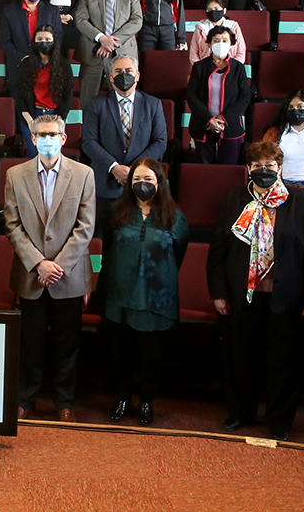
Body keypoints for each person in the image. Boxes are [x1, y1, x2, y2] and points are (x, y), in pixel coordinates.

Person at [208, 143, 304, 441]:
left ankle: (279, 419)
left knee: (283, 362)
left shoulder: (301, 201)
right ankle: (240, 413)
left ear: (280, 168)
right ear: (248, 169)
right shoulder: (234, 199)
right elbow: (218, 250)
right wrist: (218, 292)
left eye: (270, 165)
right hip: (241, 295)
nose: (264, 170)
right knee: (239, 358)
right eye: (257, 165)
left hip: (286, 297)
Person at [4, 115, 95, 421]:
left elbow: (85, 227)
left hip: (69, 275)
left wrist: (58, 265)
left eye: (53, 134)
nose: (47, 139)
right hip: (31, 274)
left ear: (63, 138)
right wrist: (38, 263)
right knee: (30, 343)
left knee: (67, 344)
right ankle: (26, 399)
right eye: (41, 134)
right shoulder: (15, 175)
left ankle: (64, 401)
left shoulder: (83, 174)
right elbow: (12, 225)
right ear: (32, 138)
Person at [97, 156, 188, 426]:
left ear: (160, 182)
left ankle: (147, 401)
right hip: (119, 294)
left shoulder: (175, 216)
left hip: (156, 298)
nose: (142, 184)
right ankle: (122, 397)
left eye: (148, 179)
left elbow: (179, 254)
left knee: (151, 355)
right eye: (136, 179)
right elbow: (107, 251)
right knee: (119, 352)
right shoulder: (115, 211)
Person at [80, 55, 168, 208]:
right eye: (118, 71)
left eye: (128, 71)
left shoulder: (153, 104)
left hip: (143, 184)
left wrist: (136, 169)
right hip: (105, 183)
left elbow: (160, 141)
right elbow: (89, 142)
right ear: (111, 77)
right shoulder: (96, 104)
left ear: (137, 76)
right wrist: (114, 167)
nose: (124, 75)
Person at [75, 0, 142, 101]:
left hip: (123, 53)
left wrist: (110, 42)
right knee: (88, 100)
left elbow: (137, 21)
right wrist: (101, 38)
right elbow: (81, 20)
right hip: (93, 52)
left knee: (123, 99)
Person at [260, 91, 304, 217]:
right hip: (281, 189)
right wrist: (280, 190)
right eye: (291, 107)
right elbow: (265, 163)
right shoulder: (274, 133)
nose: (295, 111)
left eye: (300, 107)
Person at [187, 26, 251, 166]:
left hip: (230, 124)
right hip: (203, 123)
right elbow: (191, 96)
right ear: (209, 44)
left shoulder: (238, 68)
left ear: (231, 44)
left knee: (228, 167)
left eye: (224, 40)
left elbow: (245, 97)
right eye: (216, 40)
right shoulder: (199, 67)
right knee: (203, 168)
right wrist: (209, 119)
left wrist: (223, 118)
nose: (220, 44)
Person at [0, 0, 60, 94]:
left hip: (44, 65)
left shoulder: (52, 11)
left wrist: (45, 57)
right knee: (18, 101)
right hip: (18, 65)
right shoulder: (10, 10)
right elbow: (5, 41)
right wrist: (22, 57)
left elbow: (58, 37)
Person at [15, 24, 72, 146]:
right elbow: (20, 95)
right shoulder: (26, 64)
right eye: (40, 39)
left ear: (54, 41)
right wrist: (30, 122)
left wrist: (58, 120)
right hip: (32, 115)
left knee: (53, 154)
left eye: (47, 39)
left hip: (55, 116)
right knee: (34, 154)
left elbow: (68, 94)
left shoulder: (63, 64)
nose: (43, 42)